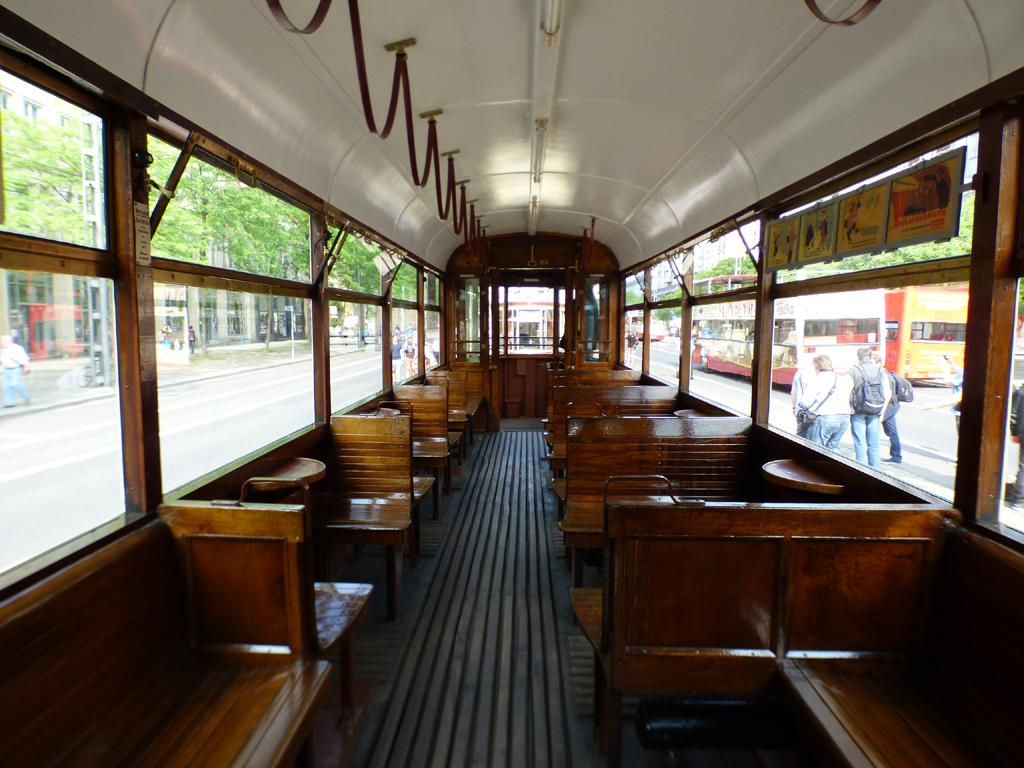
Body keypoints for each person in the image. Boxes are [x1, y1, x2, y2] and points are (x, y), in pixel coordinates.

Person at [796, 354, 852, 450]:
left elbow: (805, 402)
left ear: (817, 365)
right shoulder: (841, 379)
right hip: (844, 418)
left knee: (815, 450)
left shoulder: (818, 379)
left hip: (825, 418)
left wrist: (799, 404)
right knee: (833, 449)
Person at [848, 346, 891, 468]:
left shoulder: (853, 371)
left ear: (858, 357)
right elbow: (887, 392)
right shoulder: (880, 371)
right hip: (875, 409)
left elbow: (846, 391)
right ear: (870, 356)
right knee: (874, 443)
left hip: (858, 410)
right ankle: (875, 470)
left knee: (860, 442)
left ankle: (862, 469)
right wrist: (882, 411)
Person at [873, 353, 903, 464]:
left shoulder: (884, 375)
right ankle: (896, 457)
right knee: (892, 432)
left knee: (873, 426)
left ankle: (874, 456)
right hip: (893, 405)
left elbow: (887, 395)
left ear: (879, 364)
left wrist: (882, 413)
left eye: (873, 363)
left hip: (889, 406)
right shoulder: (884, 374)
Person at [1, 335, 31, 408]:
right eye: (1, 341)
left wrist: (26, 368)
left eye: (3, 341)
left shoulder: (17, 348)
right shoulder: (3, 350)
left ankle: (26, 397)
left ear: (10, 341)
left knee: (15, 384)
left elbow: (25, 359)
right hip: (6, 370)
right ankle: (10, 403)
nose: (2, 343)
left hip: (16, 369)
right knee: (7, 386)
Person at [790, 362, 817, 439]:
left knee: (800, 436)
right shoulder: (818, 375)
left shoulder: (799, 373)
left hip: (800, 411)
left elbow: (793, 393)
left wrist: (794, 408)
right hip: (813, 412)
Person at [1008, 384, 1024, 511]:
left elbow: (1013, 413)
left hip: (1023, 433)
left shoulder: (1021, 391)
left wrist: (1014, 433)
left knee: (1023, 467)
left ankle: (1018, 501)